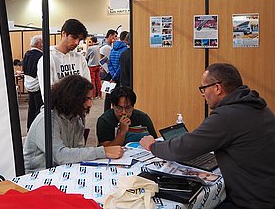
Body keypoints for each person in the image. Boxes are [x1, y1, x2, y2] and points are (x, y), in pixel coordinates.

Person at [140, 63, 275, 209]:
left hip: (254, 201)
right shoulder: (256, 106)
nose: (203, 94)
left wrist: (152, 145)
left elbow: (183, 149)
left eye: (203, 88)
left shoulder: (227, 116)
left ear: (217, 88)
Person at [23, 75, 124, 173]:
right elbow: (60, 156)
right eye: (86, 99)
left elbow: (78, 149)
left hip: (62, 171)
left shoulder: (76, 118)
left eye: (90, 99)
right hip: (39, 175)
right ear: (71, 98)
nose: (90, 104)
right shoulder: (46, 120)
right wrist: (102, 152)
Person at [37, 18, 91, 99]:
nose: (76, 42)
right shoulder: (47, 59)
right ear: (64, 34)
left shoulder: (80, 58)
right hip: (57, 110)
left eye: (79, 40)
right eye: (74, 37)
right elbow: (47, 94)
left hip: (79, 109)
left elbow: (87, 87)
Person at [22, 35, 44, 130]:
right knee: (39, 111)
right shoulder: (41, 57)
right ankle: (37, 130)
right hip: (38, 87)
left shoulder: (27, 55)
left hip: (29, 86)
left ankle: (30, 128)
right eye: (42, 42)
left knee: (31, 110)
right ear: (39, 44)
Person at [104, 31, 128, 111]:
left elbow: (109, 63)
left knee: (108, 97)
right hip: (119, 77)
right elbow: (121, 66)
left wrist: (112, 74)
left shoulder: (113, 49)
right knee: (119, 98)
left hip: (111, 76)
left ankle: (106, 113)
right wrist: (115, 76)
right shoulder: (125, 50)